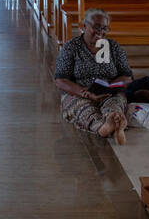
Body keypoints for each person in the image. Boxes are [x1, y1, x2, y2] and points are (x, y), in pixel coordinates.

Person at [53, 8, 132, 143]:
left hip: (108, 93)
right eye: (96, 27)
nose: (100, 32)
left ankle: (114, 120)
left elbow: (127, 76)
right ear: (84, 26)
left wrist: (111, 87)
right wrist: (86, 93)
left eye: (104, 28)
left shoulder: (113, 47)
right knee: (84, 109)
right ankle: (104, 127)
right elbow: (60, 80)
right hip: (79, 92)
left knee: (114, 104)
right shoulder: (72, 47)